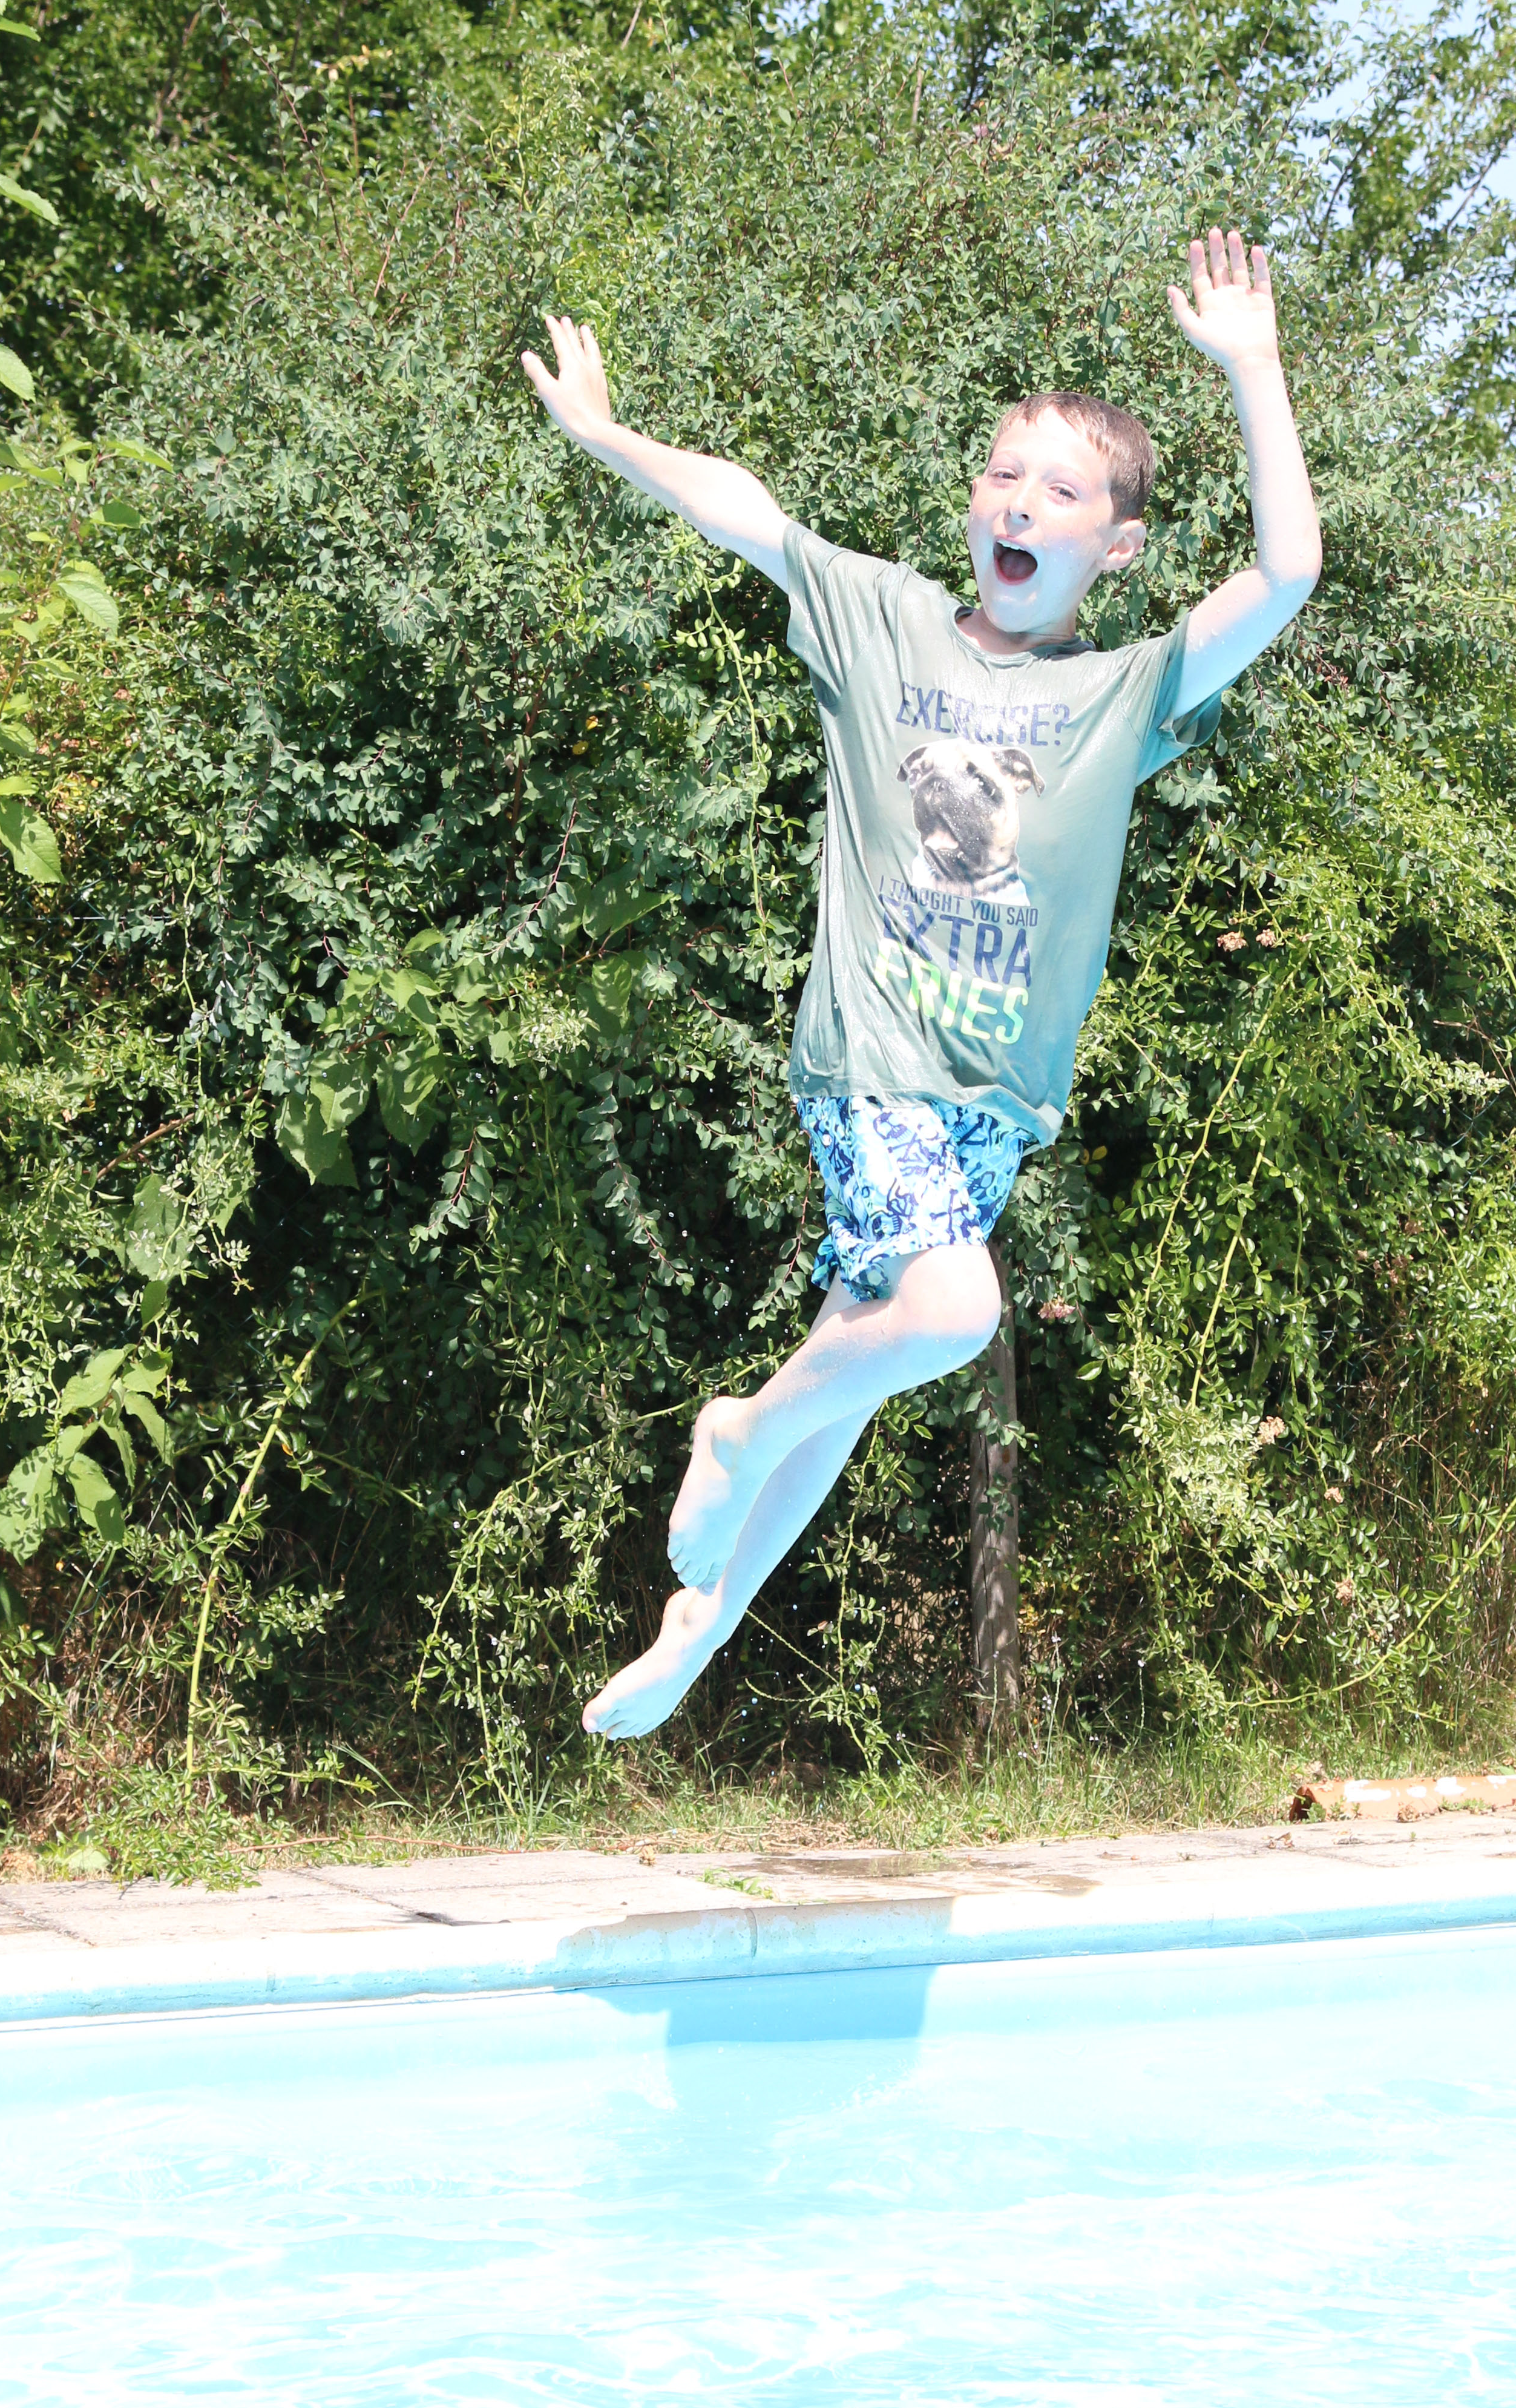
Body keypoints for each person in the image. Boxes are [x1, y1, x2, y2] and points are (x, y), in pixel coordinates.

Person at [520, 231, 1322, 1737]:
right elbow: (753, 517)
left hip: (994, 1108)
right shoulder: (882, 620)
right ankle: (735, 1430)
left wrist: (1254, 367)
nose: (1021, 502)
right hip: (874, 1062)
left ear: (1118, 548)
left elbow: (1289, 572)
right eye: (1004, 475)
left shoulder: (1124, 692)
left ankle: (702, 1623)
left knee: (867, 1354)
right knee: (949, 1312)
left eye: (1064, 494)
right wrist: (613, 437)